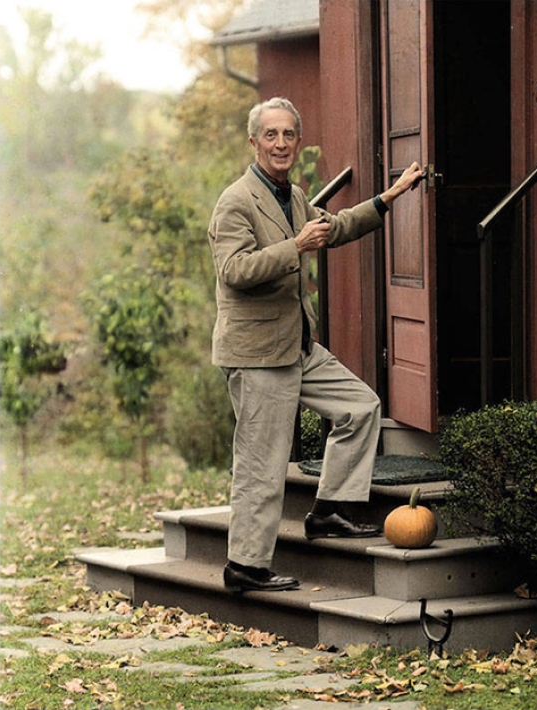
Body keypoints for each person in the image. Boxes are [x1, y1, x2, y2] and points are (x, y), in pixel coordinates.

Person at [208, 96, 425, 593]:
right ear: (254, 142)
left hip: (297, 345)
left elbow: (335, 227)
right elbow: (234, 271)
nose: (280, 143)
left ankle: (328, 510)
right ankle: (245, 567)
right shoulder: (236, 201)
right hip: (258, 355)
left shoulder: (293, 195)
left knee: (360, 407)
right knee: (262, 465)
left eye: (289, 134)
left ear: (298, 140)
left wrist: (389, 197)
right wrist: (296, 246)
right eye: (271, 135)